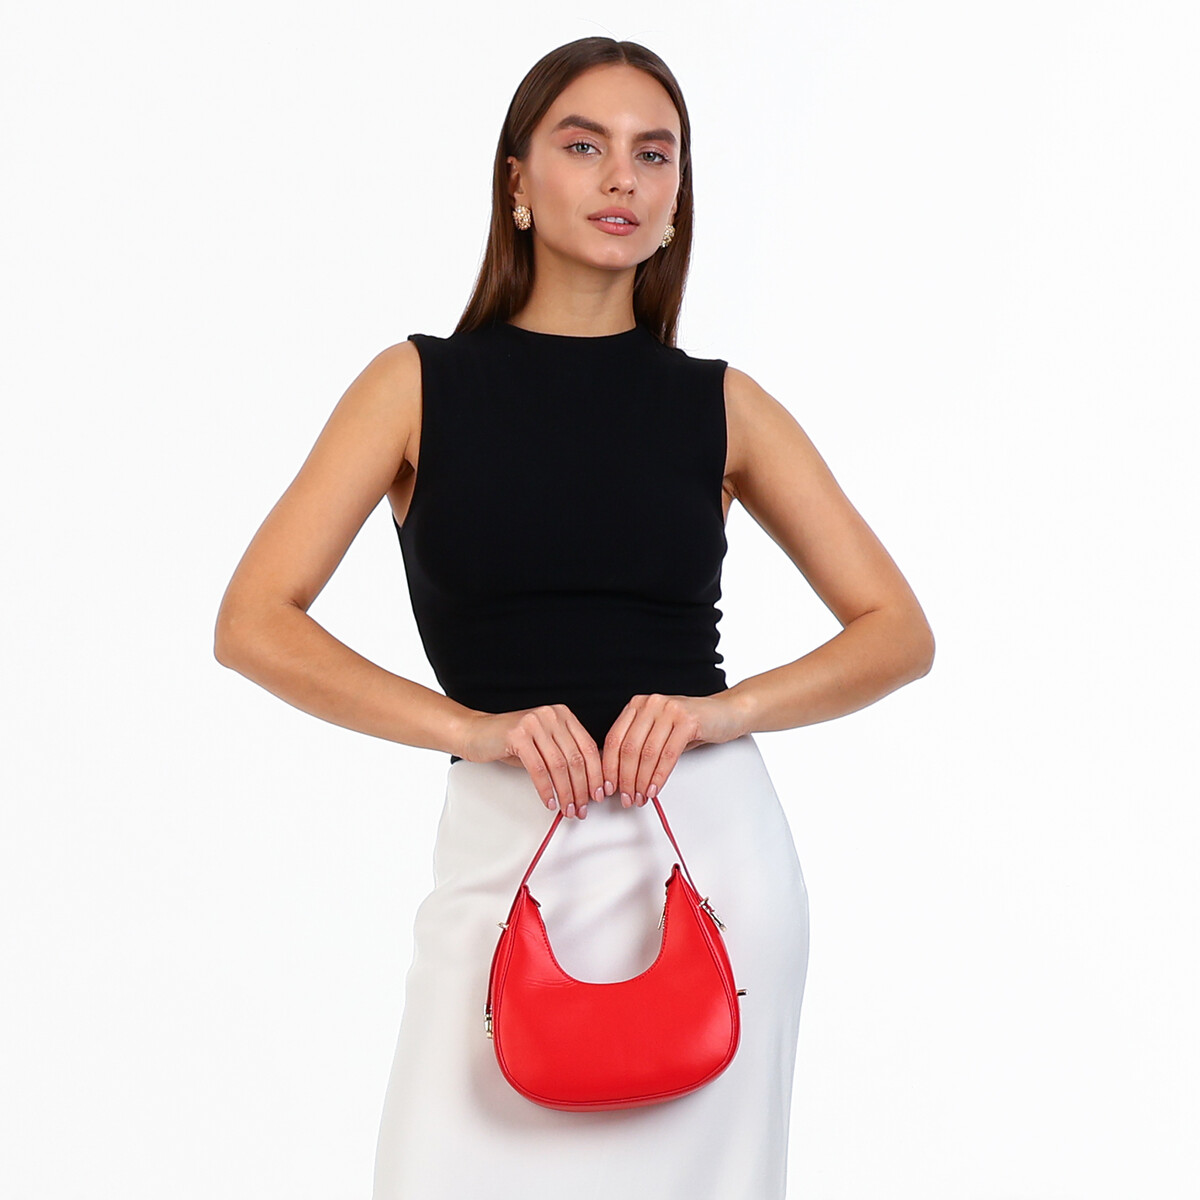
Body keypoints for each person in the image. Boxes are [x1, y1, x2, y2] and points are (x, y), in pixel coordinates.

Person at [214, 35, 934, 1200]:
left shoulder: (721, 404)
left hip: (703, 854)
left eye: (654, 154)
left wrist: (719, 712)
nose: (622, 179)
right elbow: (254, 620)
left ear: (677, 195)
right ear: (518, 180)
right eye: (584, 145)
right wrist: (475, 729)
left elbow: (896, 629)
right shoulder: (416, 386)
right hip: (509, 841)